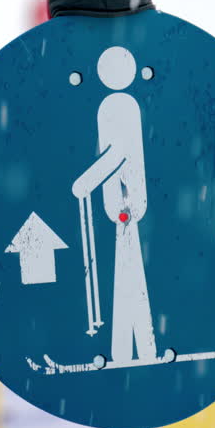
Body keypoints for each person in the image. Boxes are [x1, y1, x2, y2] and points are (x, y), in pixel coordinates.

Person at [71, 46, 157, 365]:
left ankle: (137, 351)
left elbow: (117, 153)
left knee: (129, 278)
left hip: (128, 206)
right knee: (128, 279)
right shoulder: (114, 105)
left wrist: (85, 183)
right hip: (121, 208)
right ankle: (132, 351)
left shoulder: (121, 106)